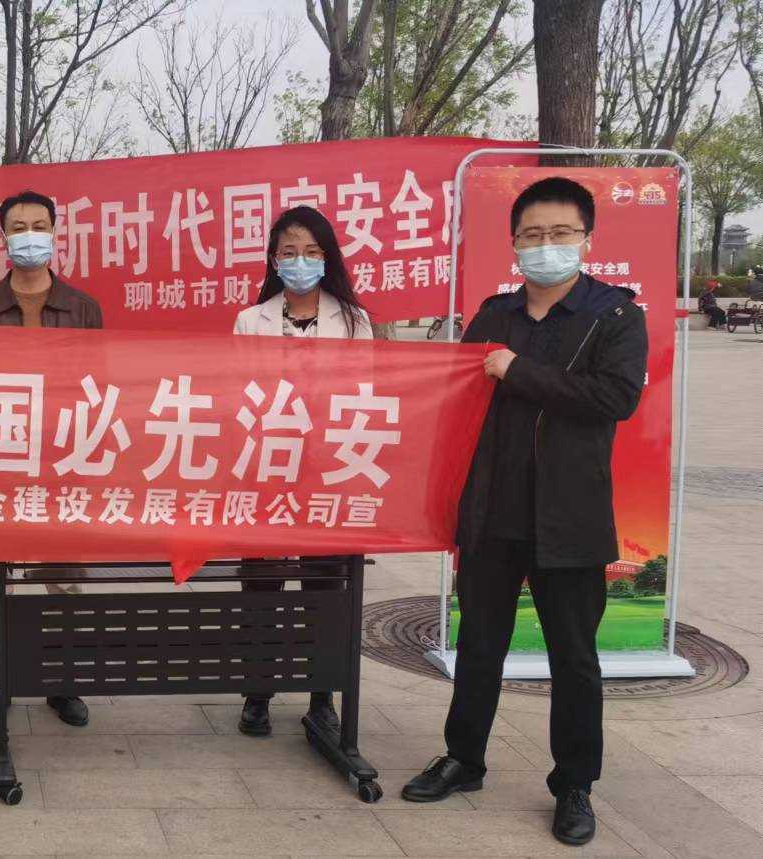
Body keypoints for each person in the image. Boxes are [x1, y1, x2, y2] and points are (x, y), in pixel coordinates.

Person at [400, 176, 646, 849]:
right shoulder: (494, 315)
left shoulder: (614, 316)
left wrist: (515, 371)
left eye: (560, 233)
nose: (545, 245)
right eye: (532, 234)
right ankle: (464, 759)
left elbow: (614, 398)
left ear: (587, 239)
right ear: (514, 243)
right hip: (493, 511)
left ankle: (574, 784)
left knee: (574, 657)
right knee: (479, 645)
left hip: (570, 519)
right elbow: (454, 401)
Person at [0, 190, 103, 730]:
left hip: (63, 468)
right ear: (3, 236)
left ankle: (62, 681)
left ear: (56, 232)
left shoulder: (83, 309)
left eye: (39, 225)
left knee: (63, 582)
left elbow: (98, 390)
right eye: (18, 227)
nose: (30, 235)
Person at [231, 205, 372, 738]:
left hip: (330, 472)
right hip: (268, 471)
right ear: (273, 259)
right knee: (262, 585)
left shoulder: (354, 321)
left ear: (328, 257)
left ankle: (321, 695)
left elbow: (366, 396)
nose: (300, 261)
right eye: (289, 252)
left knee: (325, 586)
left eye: (312, 251)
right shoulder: (251, 320)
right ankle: (257, 693)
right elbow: (238, 393)